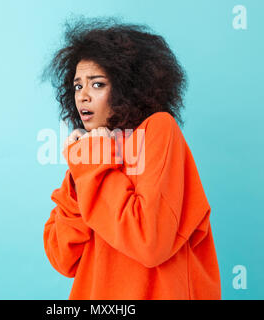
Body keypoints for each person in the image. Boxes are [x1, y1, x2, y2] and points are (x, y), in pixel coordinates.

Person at [41, 16, 221, 300]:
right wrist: (80, 171)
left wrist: (90, 162)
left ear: (127, 87)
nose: (83, 96)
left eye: (97, 84)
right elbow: (62, 257)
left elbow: (150, 243)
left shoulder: (158, 129)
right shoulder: (88, 157)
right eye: (77, 86)